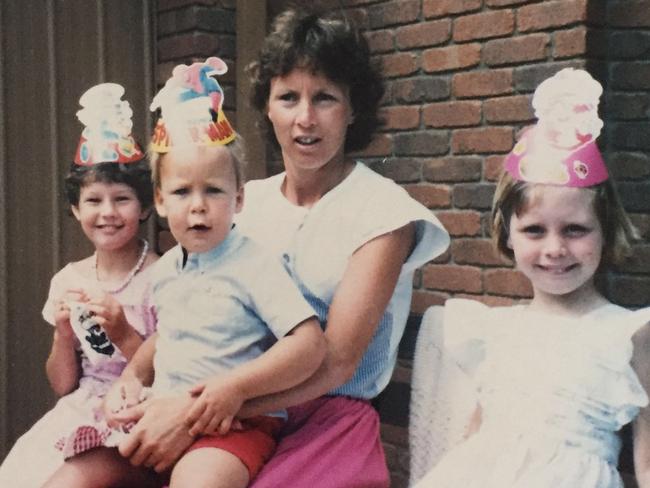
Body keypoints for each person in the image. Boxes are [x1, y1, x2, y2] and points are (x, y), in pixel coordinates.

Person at [107, 9, 450, 487]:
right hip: (224, 407)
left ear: (353, 110)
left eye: (325, 98)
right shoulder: (245, 202)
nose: (305, 118)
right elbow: (202, 307)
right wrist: (142, 386)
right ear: (267, 106)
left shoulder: (384, 214)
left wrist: (190, 412)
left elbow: (335, 362)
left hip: (324, 420)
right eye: (288, 97)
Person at [50, 57, 327, 488]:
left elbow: (308, 346)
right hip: (164, 412)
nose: (197, 205)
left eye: (213, 191)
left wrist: (234, 390)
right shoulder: (166, 271)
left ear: (238, 199)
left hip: (233, 426)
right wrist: (132, 377)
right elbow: (167, 337)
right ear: (159, 202)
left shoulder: (253, 263)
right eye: (182, 191)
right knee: (73, 479)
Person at [414, 68, 650, 488]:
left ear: (605, 230)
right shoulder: (495, 329)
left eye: (575, 229)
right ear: (508, 234)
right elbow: (477, 436)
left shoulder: (628, 334)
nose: (555, 249)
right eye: (535, 230)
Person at [0, 83, 159, 487]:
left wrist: (121, 331)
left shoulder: (161, 276)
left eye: (121, 199)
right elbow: (62, 383)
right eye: (93, 200)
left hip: (136, 410)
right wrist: (63, 332)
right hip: (80, 407)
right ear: (75, 208)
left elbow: (167, 370)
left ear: (144, 207)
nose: (107, 212)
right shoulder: (69, 279)